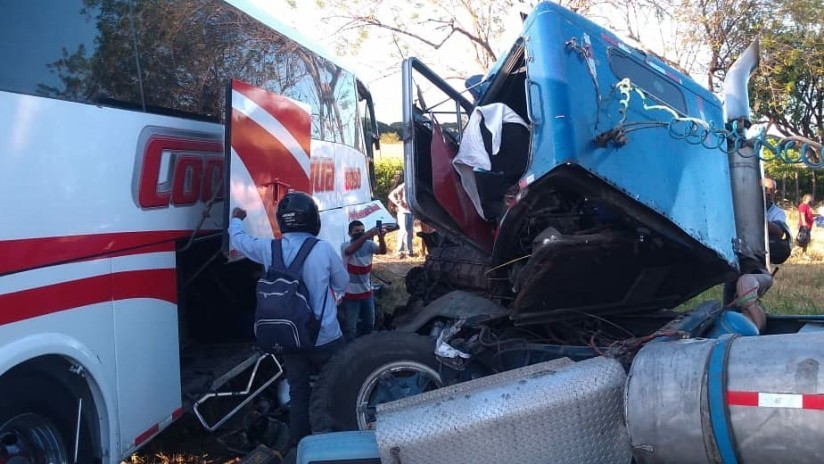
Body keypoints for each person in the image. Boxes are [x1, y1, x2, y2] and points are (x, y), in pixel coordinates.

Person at [228, 192, 348, 444]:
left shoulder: (269, 248)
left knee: (298, 393)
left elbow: (239, 241)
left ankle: (299, 445)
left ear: (282, 220)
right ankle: (337, 438)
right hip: (325, 337)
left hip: (289, 339)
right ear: (313, 220)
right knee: (336, 387)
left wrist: (236, 219)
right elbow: (342, 283)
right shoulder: (323, 249)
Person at [723, 177, 790, 332]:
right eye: (765, 189)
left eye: (771, 190)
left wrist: (753, 219)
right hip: (737, 259)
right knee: (730, 299)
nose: (768, 193)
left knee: (746, 294)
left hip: (757, 262)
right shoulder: (741, 207)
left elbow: (780, 231)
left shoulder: (776, 213)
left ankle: (754, 331)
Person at [340, 220, 387, 342]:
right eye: (357, 231)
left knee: (369, 324)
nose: (360, 233)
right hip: (350, 295)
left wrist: (382, 238)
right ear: (349, 233)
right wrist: (366, 235)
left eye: (362, 230)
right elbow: (350, 251)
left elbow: (382, 251)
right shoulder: (345, 245)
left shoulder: (369, 245)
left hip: (366, 292)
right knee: (350, 328)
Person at [389, 181, 415, 258]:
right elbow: (391, 195)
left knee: (409, 232)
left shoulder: (413, 185)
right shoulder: (403, 186)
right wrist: (398, 203)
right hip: (403, 212)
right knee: (403, 231)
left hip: (411, 211)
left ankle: (409, 251)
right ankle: (400, 251)